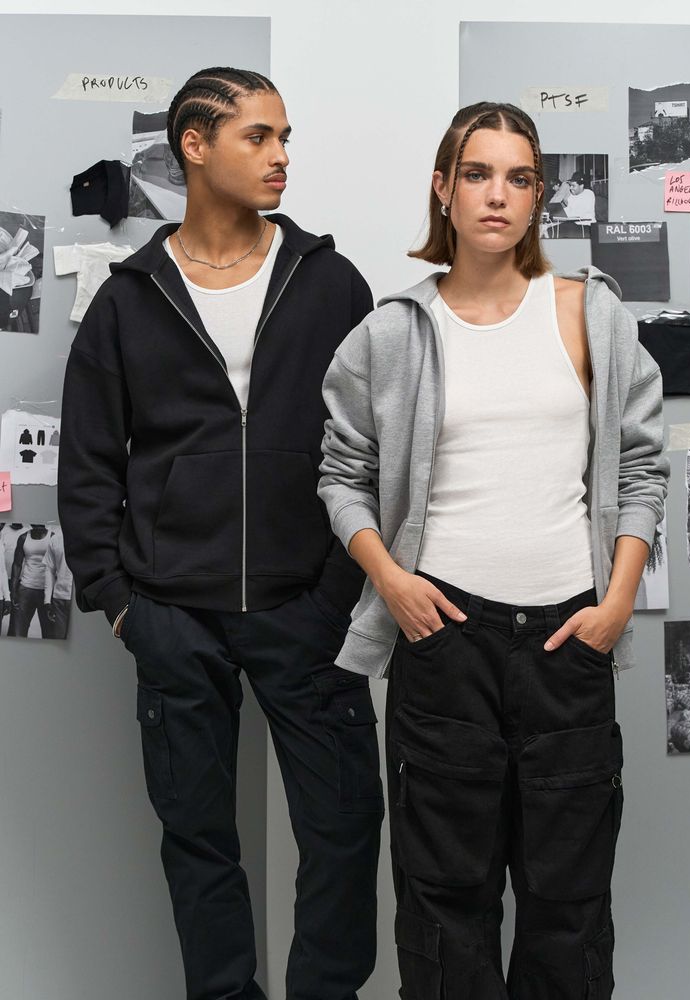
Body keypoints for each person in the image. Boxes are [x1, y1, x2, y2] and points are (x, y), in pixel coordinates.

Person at [319, 102, 668, 999]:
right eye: (477, 174)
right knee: (445, 906)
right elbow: (341, 475)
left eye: (519, 178)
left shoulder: (591, 314)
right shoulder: (393, 333)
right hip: (445, 640)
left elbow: (641, 467)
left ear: (539, 196)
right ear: (443, 188)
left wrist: (618, 601)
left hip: (568, 640)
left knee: (569, 905)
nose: (497, 195)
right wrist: (391, 581)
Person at [58, 67, 382, 1000]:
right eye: (259, 137)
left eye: (286, 138)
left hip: (306, 608)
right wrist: (122, 605)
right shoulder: (128, 298)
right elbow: (89, 464)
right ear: (194, 146)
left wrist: (338, 592)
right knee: (198, 840)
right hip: (173, 613)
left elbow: (375, 446)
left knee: (344, 828)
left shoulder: (329, 283)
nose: (282, 157)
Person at [8, 524, 52, 637]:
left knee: (50, 634)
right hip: (26, 588)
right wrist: (13, 591)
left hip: (46, 591)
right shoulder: (23, 538)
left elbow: (57, 566)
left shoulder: (52, 537)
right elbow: (17, 564)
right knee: (17, 633)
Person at [42, 529, 73, 639]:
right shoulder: (56, 539)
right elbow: (49, 570)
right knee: (58, 639)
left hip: (80, 600)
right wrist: (47, 600)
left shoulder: (89, 536)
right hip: (59, 599)